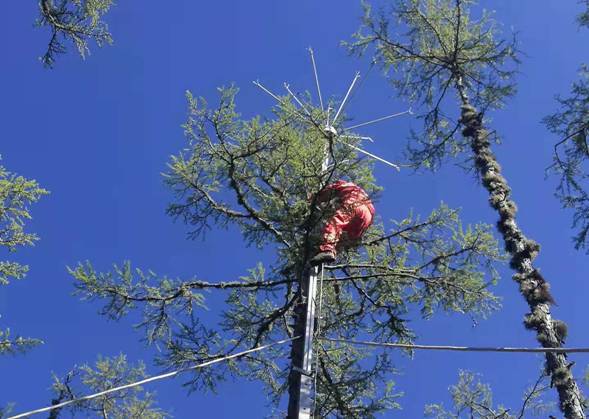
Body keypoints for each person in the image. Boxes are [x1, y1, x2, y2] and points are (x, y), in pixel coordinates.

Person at [309, 180, 375, 266]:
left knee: (334, 223)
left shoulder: (343, 185)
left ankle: (327, 250)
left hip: (354, 204)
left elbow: (327, 191)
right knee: (342, 238)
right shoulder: (360, 192)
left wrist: (313, 199)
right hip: (367, 217)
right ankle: (327, 253)